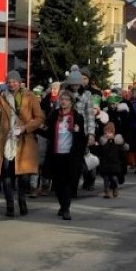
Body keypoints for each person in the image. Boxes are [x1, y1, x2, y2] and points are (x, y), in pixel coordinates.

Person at [0, 70, 44, 217]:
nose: (11, 84)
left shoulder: (30, 96)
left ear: (20, 82)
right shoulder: (0, 98)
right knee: (6, 175)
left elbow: (39, 118)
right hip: (6, 140)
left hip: (24, 140)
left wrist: (25, 127)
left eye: (14, 81)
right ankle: (10, 205)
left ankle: (22, 200)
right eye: (9, 82)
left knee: (23, 175)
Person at [43, 90, 87, 220]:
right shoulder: (55, 115)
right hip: (56, 153)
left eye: (67, 99)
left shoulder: (77, 117)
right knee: (57, 183)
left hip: (70, 155)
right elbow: (48, 132)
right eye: (62, 99)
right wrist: (37, 128)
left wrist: (78, 132)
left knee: (67, 182)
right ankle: (62, 206)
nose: (63, 102)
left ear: (71, 102)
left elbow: (82, 139)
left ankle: (66, 208)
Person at [93, 122, 127, 198]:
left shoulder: (118, 141)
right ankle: (107, 191)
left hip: (115, 164)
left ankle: (115, 189)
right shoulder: (103, 141)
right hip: (105, 163)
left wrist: (122, 162)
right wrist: (97, 146)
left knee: (114, 178)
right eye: (106, 132)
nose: (108, 134)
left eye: (110, 132)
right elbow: (99, 152)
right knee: (106, 178)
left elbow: (122, 154)